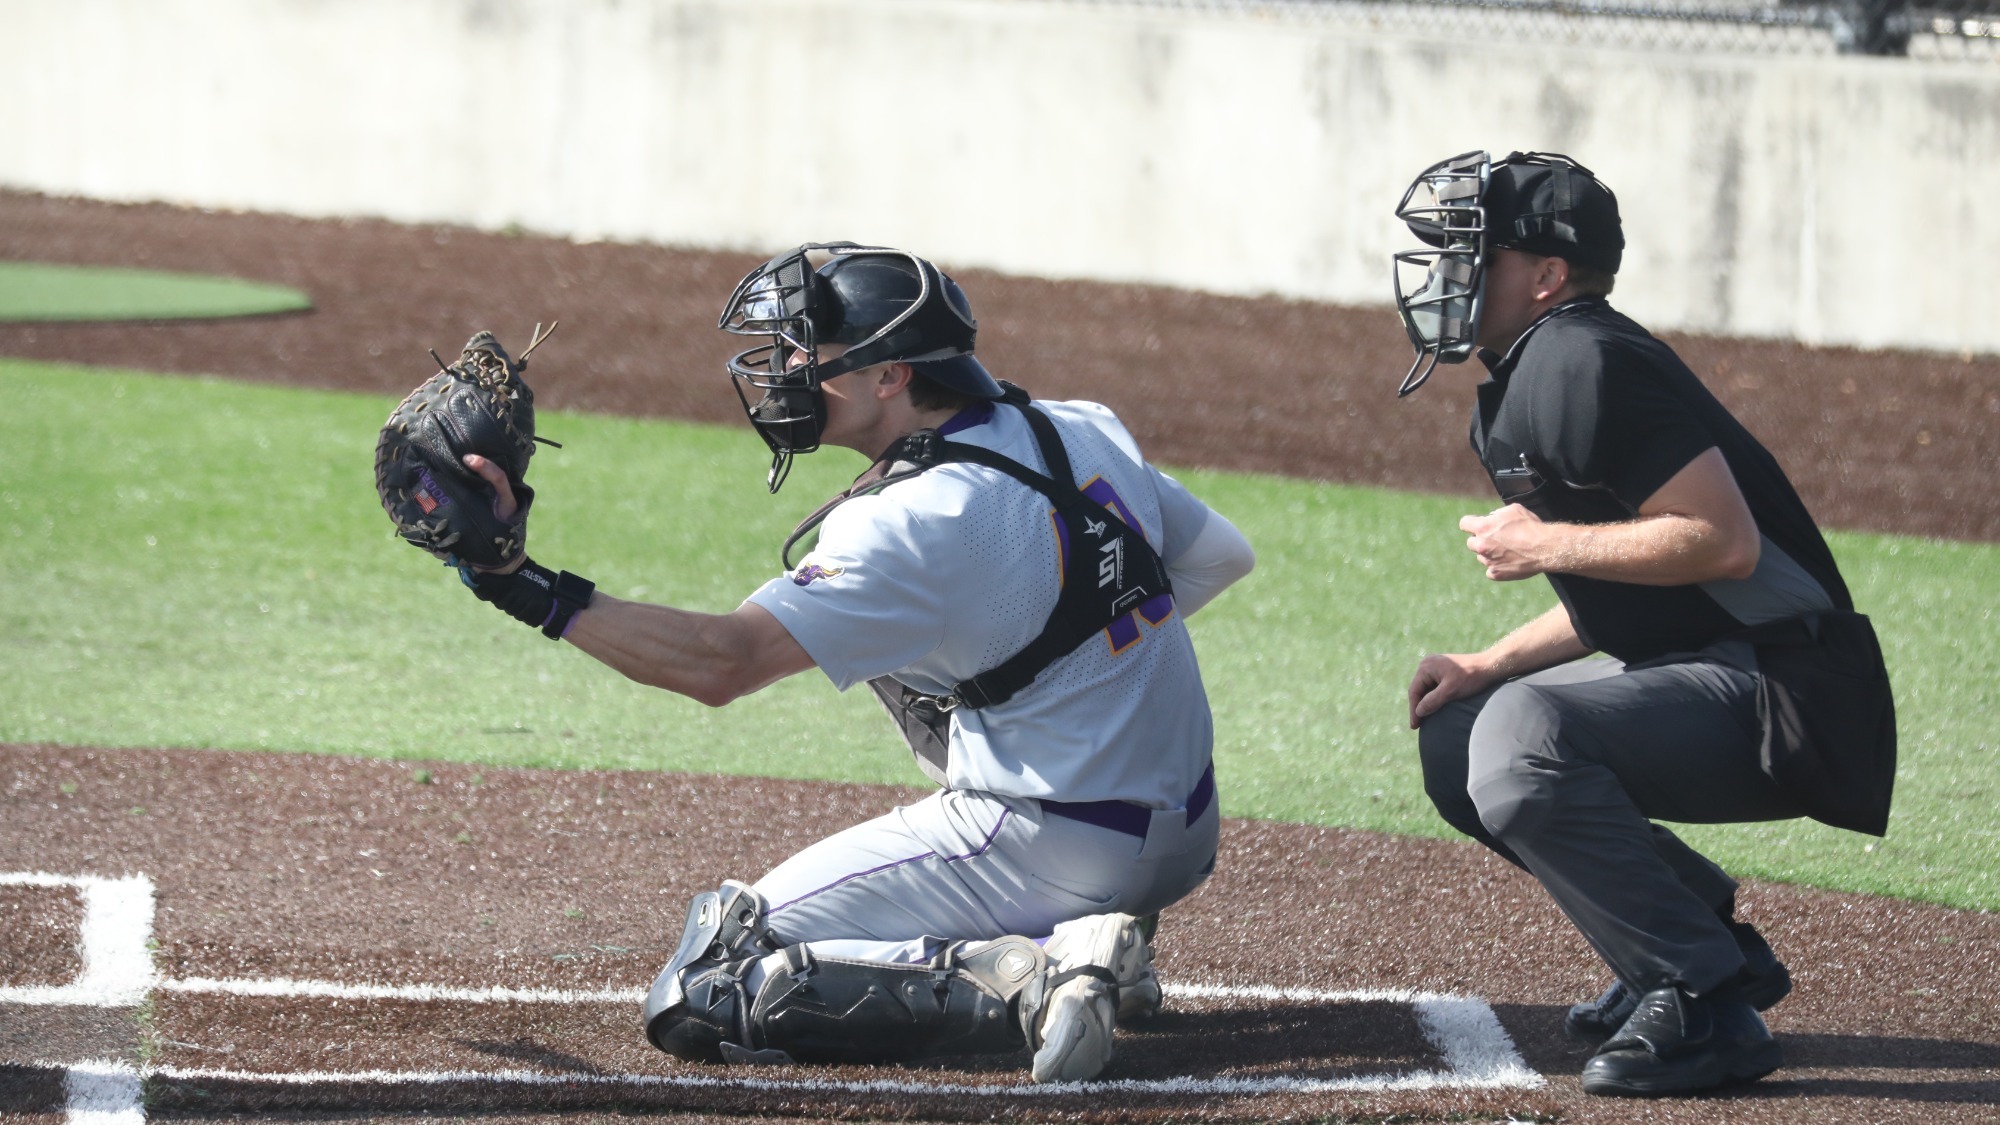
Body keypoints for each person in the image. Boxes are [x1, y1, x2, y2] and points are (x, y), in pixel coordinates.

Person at [451, 243, 1255, 1082]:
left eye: (809, 351)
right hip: (1187, 830)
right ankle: (1110, 931)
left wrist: (519, 582)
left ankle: (1041, 972)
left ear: (890, 375)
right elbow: (1219, 558)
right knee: (913, 660)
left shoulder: (907, 522)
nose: (787, 368)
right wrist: (1058, 665)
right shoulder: (1078, 425)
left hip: (1053, 841)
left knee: (708, 981)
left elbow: (719, 664)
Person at [1389, 152, 1895, 1098]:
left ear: (1544, 276)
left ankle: (1701, 1000)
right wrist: (1485, 659)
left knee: (1522, 734)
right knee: (1462, 727)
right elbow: (1627, 586)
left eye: (1476, 253)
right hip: (1722, 672)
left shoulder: (1585, 359)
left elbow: (1722, 543)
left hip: (1793, 689)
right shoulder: (1536, 372)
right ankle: (1698, 930)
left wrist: (1545, 545)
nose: (1447, 274)